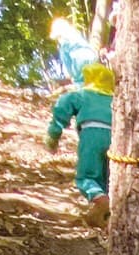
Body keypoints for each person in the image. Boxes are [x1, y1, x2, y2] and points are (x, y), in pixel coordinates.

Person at [47, 62, 114, 217]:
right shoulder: (115, 99)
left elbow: (62, 108)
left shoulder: (82, 95)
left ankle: (101, 200)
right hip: (116, 138)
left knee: (87, 176)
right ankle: (105, 213)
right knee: (109, 176)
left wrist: (53, 135)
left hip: (92, 135)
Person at [48, 16, 98, 83]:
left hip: (80, 63)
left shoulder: (64, 46)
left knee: (79, 81)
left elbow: (68, 70)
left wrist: (72, 78)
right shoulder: (78, 38)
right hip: (93, 58)